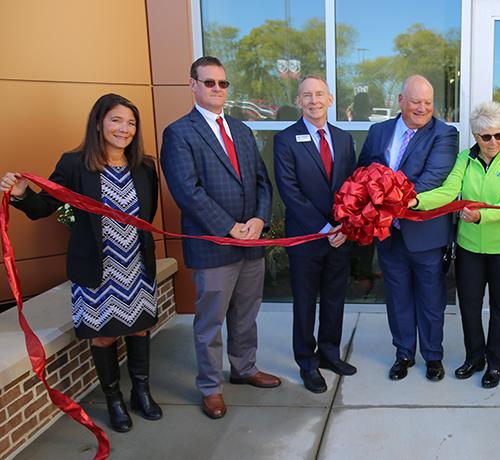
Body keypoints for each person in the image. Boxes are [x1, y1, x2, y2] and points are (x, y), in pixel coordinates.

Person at [1, 94, 162, 432]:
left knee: (140, 328)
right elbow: (44, 206)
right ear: (99, 123)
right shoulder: (75, 164)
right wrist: (21, 194)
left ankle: (141, 393)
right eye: (117, 120)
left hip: (135, 265)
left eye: (131, 123)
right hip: (97, 269)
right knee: (103, 337)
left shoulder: (145, 165)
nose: (125, 129)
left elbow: (147, 216)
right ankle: (114, 399)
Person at [160, 56, 280, 420]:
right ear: (192, 85)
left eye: (222, 83)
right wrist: (230, 226)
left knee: (246, 314)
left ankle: (244, 368)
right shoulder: (179, 133)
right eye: (209, 82)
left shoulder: (242, 130)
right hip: (214, 245)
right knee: (210, 322)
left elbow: (262, 179)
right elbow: (187, 190)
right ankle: (211, 387)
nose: (217, 89)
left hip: (251, 243)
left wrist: (259, 219)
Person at [409, 101, 500, 388]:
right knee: (470, 307)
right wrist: (414, 202)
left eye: (499, 135)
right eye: (486, 136)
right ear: (475, 136)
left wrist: (479, 217)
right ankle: (475, 357)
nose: (494, 142)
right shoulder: (464, 159)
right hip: (470, 248)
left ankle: (496, 364)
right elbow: (448, 192)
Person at [357, 75, 458, 381]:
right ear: (400, 100)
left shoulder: (445, 134)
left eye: (428, 103)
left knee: (430, 300)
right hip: (388, 233)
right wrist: (370, 198)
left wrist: (384, 197)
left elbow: (433, 178)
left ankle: (432, 356)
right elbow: (363, 171)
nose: (423, 108)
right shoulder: (379, 131)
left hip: (425, 232)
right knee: (398, 296)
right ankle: (403, 353)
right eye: (416, 101)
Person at [273, 75, 357, 394]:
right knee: (305, 303)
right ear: (298, 101)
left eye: (319, 94)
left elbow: (352, 187)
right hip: (307, 238)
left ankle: (330, 354)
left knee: (335, 299)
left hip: (340, 236)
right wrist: (324, 229)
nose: (314, 100)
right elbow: (290, 192)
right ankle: (307, 363)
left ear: (330, 99)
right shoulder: (285, 140)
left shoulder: (344, 139)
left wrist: (344, 226)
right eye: (307, 95)